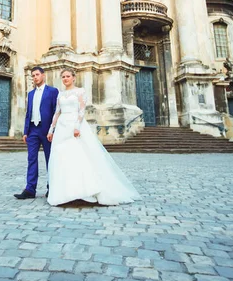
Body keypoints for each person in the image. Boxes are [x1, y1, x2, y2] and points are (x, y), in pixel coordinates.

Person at [46, 68, 141, 206]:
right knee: (62, 157)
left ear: (74, 78)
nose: (65, 79)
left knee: (78, 156)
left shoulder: (80, 91)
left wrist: (77, 126)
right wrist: (51, 129)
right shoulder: (60, 94)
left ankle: (84, 190)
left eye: (68, 76)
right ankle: (66, 193)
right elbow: (57, 113)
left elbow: (82, 110)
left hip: (74, 125)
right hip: (61, 127)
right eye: (63, 77)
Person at [14, 66, 59, 200]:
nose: (35, 77)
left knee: (50, 160)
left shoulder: (52, 91)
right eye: (33, 75)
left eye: (37, 75)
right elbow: (28, 113)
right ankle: (30, 189)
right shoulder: (30, 94)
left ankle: (52, 187)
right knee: (31, 159)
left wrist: (53, 130)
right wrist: (25, 131)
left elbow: (56, 112)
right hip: (33, 130)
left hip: (47, 131)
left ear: (43, 75)